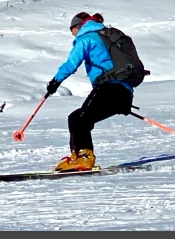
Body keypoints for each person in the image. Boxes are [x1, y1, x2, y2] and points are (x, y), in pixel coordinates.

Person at [46, 12, 133, 172]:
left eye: (71, 29)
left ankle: (85, 158)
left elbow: (72, 62)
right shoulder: (105, 36)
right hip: (124, 89)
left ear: (79, 26)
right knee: (76, 118)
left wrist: (55, 81)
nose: (72, 34)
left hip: (108, 86)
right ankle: (78, 157)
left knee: (80, 119)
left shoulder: (86, 37)